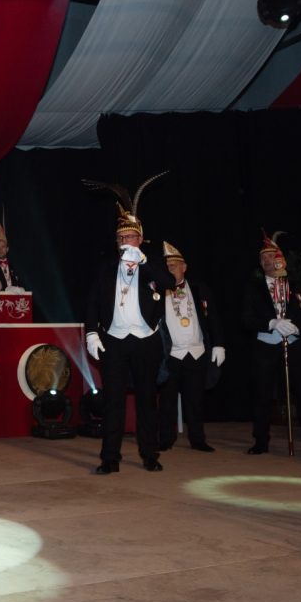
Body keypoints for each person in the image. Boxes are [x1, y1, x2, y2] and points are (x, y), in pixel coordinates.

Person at [83, 175, 174, 474]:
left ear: (140, 239)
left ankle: (150, 454)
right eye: (121, 238)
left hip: (146, 340)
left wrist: (144, 261)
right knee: (113, 401)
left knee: (147, 399)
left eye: (130, 237)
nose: (125, 242)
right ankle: (110, 458)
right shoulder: (106, 268)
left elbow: (169, 282)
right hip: (115, 340)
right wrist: (92, 333)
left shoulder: (152, 264)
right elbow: (92, 302)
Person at [242, 231, 301, 457]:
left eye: (270, 256)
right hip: (265, 346)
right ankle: (261, 441)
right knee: (262, 395)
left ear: (280, 259)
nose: (266, 260)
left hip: (294, 344)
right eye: (263, 258)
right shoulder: (254, 288)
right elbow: (246, 319)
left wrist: (298, 327)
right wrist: (271, 322)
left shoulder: (297, 286)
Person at [156, 241, 225, 452]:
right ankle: (166, 439)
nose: (170, 270)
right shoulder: (157, 291)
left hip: (196, 351)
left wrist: (219, 344)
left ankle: (198, 439)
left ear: (184, 267)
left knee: (195, 400)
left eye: (174, 266)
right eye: (167, 267)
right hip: (171, 354)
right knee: (167, 401)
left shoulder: (199, 288)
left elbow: (213, 318)